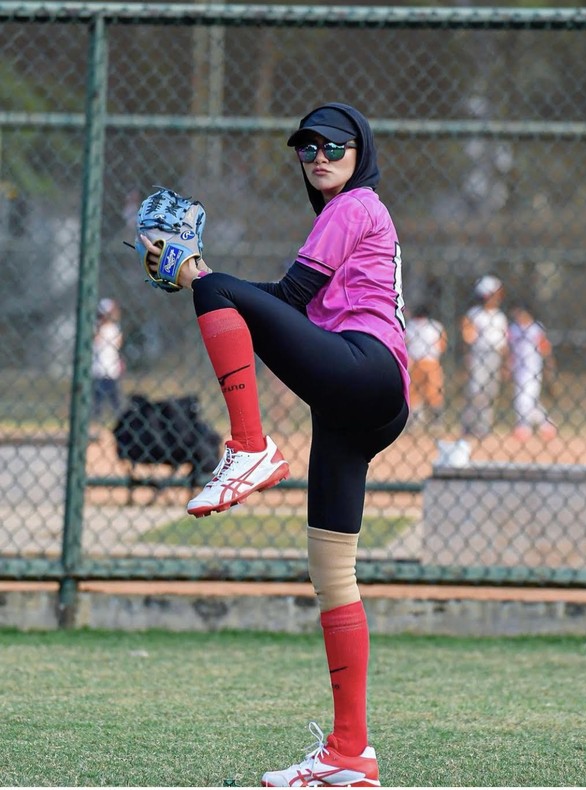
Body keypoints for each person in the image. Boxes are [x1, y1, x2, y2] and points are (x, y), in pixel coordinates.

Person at [140, 102, 409, 787]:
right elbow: (274, 306)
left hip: (366, 370)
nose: (318, 155)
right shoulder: (337, 214)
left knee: (219, 291)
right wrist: (202, 279)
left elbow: (279, 299)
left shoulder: (356, 204)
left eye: (333, 144)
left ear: (360, 149)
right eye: (306, 147)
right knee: (332, 576)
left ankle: (251, 448)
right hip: (354, 404)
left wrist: (199, 275)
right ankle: (351, 754)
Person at [460, 274, 508, 438]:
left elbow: (503, 343)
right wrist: (468, 358)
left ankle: (483, 427)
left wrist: (505, 363)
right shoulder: (474, 314)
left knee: (490, 391)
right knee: (476, 390)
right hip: (479, 354)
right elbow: (468, 337)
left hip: (495, 355)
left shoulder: (500, 316)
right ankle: (469, 424)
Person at [507, 302, 557, 441]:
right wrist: (507, 366)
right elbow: (509, 350)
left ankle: (524, 427)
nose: (517, 316)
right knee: (525, 399)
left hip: (532, 368)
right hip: (518, 368)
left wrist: (549, 367)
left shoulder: (536, 328)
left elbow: (545, 349)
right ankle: (546, 424)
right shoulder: (513, 329)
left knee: (525, 398)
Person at [405, 303, 447, 427]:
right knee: (434, 390)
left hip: (414, 361)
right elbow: (442, 344)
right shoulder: (436, 326)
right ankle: (436, 420)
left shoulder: (409, 326)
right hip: (431, 361)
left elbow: (405, 343)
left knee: (414, 391)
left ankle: (415, 420)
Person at [91, 297, 123, 424]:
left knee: (114, 398)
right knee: (98, 399)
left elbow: (118, 344)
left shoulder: (114, 328)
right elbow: (95, 341)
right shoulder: (97, 328)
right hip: (98, 368)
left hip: (111, 368)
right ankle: (96, 420)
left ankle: (119, 418)